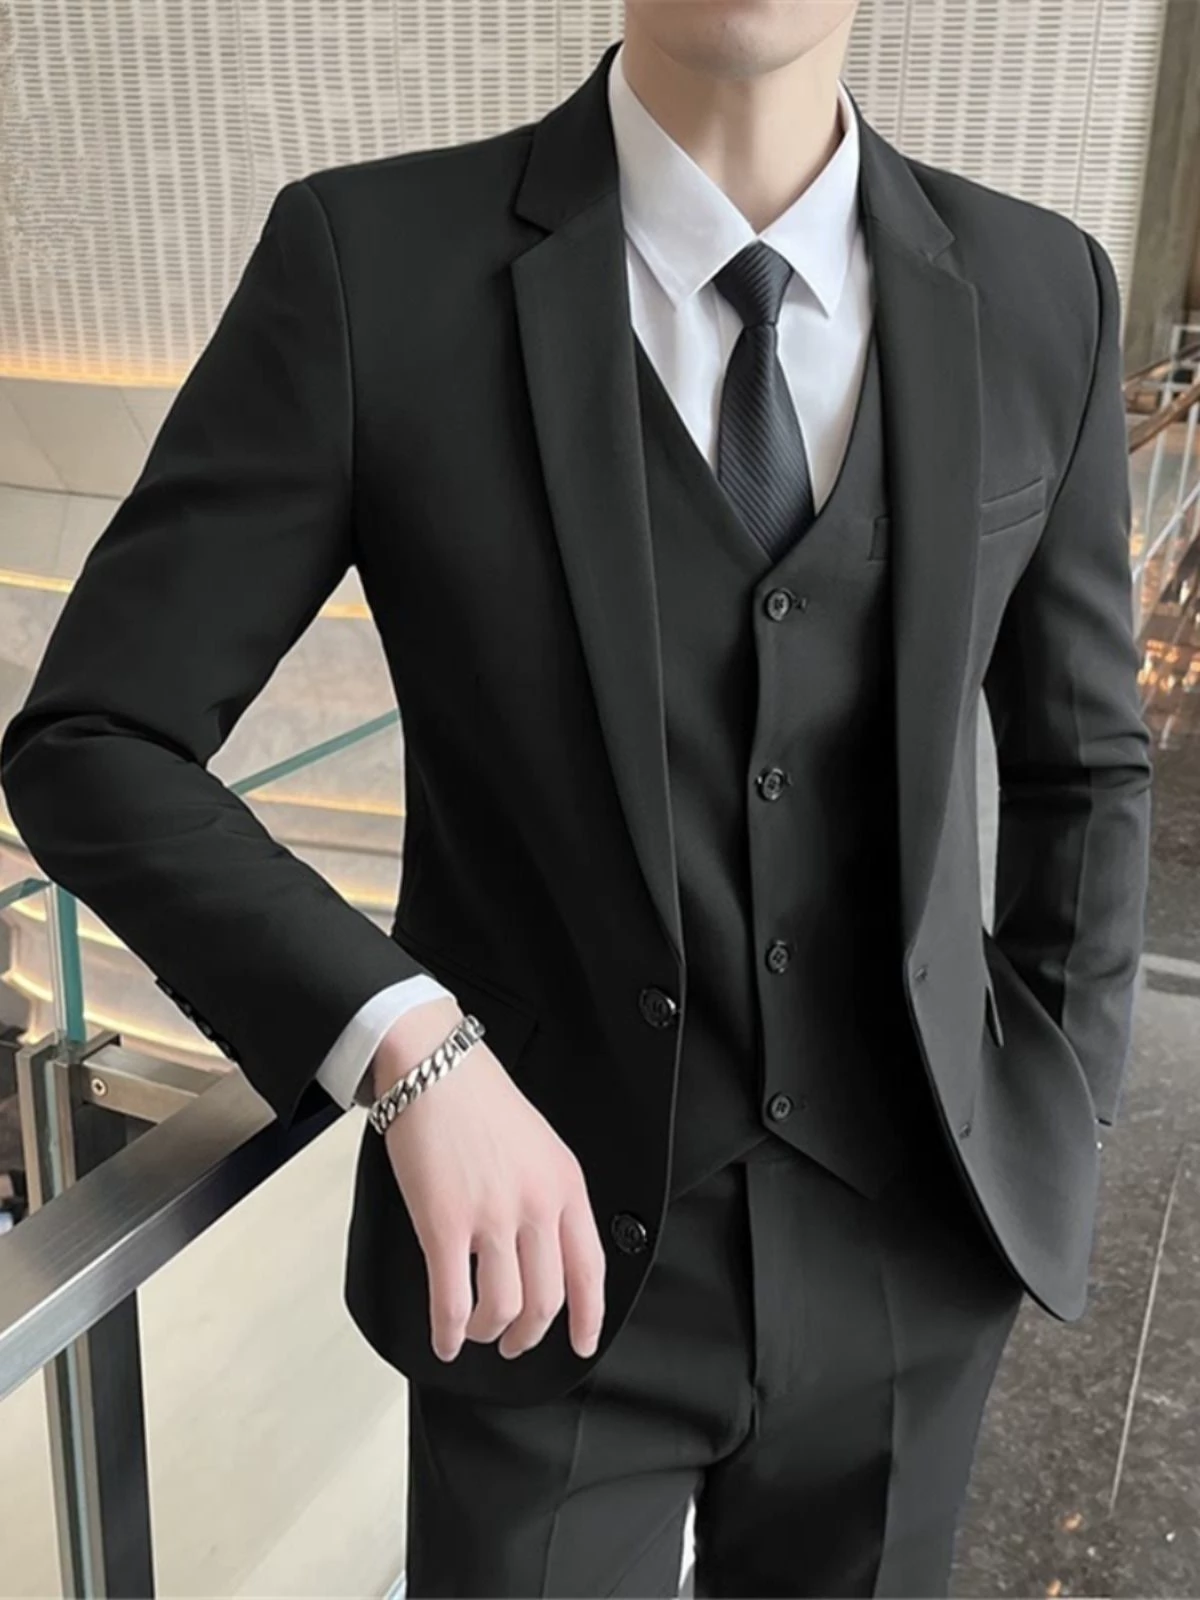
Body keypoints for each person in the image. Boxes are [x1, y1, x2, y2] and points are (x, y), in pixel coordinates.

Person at [0, 2, 1152, 1594]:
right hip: (538, 1276)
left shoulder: (1042, 289)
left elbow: (1088, 762)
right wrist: (407, 1043)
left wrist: (1056, 1116)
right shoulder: (373, 266)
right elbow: (94, 741)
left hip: (914, 1262)